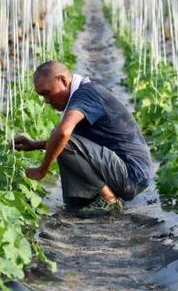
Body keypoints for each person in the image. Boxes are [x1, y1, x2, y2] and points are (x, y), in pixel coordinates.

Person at [12, 60, 152, 210]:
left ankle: (109, 200)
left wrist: (42, 170)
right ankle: (95, 198)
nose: (46, 100)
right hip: (124, 171)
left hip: (132, 174)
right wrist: (35, 145)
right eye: (42, 96)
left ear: (63, 80)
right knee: (74, 203)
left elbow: (63, 134)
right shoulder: (82, 94)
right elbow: (73, 144)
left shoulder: (86, 94)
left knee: (62, 137)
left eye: (47, 93)